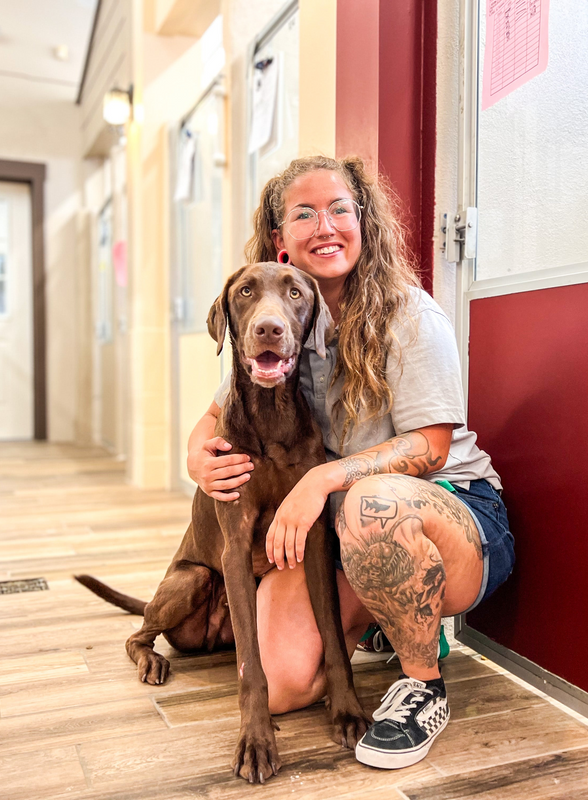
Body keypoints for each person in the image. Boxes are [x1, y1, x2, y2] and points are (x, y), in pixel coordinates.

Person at [187, 155, 515, 770]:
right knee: (282, 683)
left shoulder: (409, 315)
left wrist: (323, 477)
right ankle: (379, 615)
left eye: (340, 209)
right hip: (342, 530)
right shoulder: (279, 321)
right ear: (280, 241)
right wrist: (195, 458)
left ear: (363, 222)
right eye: (304, 214)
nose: (325, 225)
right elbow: (213, 419)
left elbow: (432, 448)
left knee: (371, 500)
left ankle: (423, 684)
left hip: (453, 515)